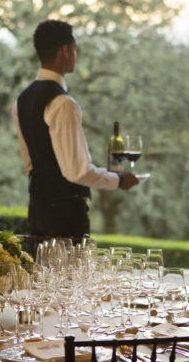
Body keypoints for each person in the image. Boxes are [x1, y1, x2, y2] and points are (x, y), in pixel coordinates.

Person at [12, 19, 138, 239]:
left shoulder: (21, 100)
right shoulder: (64, 104)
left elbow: (29, 163)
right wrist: (118, 180)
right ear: (66, 51)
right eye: (75, 49)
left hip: (37, 211)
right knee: (71, 274)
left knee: (43, 273)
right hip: (65, 217)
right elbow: (77, 171)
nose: (76, 55)